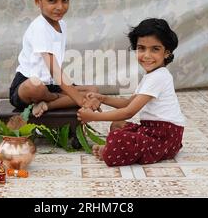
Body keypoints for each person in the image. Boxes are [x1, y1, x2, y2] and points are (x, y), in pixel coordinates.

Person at [77, 18, 186, 166]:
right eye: (141, 48)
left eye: (155, 49)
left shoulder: (159, 77)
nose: (146, 55)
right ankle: (116, 147)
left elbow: (129, 111)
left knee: (118, 139)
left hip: (165, 136)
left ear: (166, 53)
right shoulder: (152, 75)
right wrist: (102, 98)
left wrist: (94, 117)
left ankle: (111, 150)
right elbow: (128, 103)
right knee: (117, 125)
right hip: (151, 130)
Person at [9, 0, 100, 117]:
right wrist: (81, 101)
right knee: (35, 86)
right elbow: (54, 70)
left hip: (51, 85)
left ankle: (48, 105)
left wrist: (78, 94)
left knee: (94, 92)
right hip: (27, 84)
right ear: (37, 0)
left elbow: (56, 76)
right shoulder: (39, 27)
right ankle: (54, 99)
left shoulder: (61, 25)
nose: (60, 7)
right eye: (52, 0)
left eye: (65, 0)